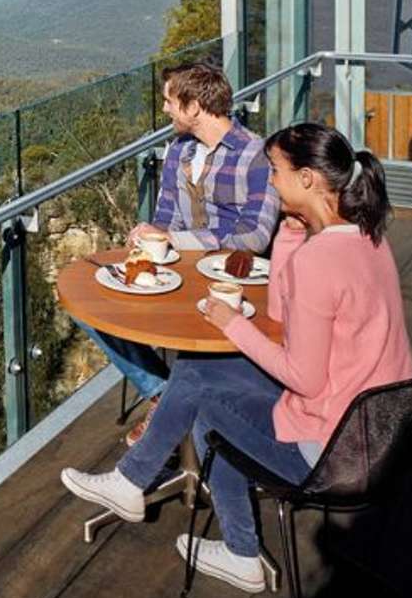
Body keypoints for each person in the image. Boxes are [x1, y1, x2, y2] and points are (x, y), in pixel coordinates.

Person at [62, 124, 412, 593]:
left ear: (308, 179)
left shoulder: (320, 262)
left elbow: (303, 378)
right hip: (378, 432)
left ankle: (233, 546)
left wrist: (232, 325)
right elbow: (281, 313)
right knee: (195, 370)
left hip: (332, 452)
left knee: (203, 402)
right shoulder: (368, 237)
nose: (269, 181)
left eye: (276, 171)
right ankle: (139, 489)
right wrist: (289, 238)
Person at [82, 62, 281, 446]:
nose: (166, 110)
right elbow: (164, 218)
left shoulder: (254, 155)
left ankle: (168, 406)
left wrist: (178, 241)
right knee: (94, 309)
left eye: (171, 101)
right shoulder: (178, 151)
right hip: (180, 276)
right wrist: (149, 241)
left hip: (233, 285)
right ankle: (164, 394)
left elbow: (254, 235)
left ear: (193, 107)